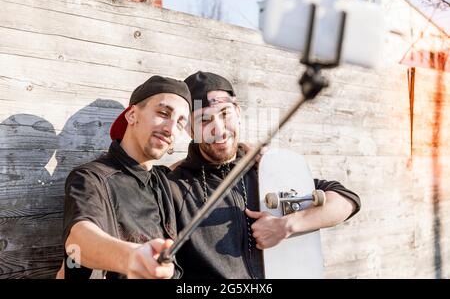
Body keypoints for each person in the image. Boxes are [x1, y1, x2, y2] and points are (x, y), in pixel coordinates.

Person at [167, 71, 361, 279]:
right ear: (189, 129)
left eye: (225, 113)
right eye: (204, 119)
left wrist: (286, 226)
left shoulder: (267, 170)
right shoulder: (173, 186)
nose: (219, 129)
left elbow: (347, 201)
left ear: (238, 113)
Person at [62, 75, 191, 279]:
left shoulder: (165, 180)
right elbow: (78, 240)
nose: (171, 129)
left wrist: (243, 153)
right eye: (163, 113)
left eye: (180, 124)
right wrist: (132, 257)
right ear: (132, 115)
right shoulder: (91, 177)